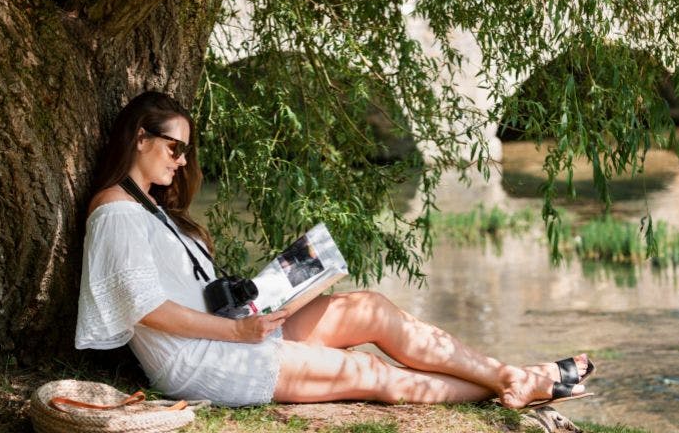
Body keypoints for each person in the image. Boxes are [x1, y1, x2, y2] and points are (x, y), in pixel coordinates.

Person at [75, 91, 594, 409]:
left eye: (186, 151)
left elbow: (189, 289)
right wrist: (236, 330)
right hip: (203, 359)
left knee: (370, 308)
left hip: (229, 330)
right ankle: (523, 381)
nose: (183, 162)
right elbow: (146, 308)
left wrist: (279, 290)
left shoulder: (152, 208)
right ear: (140, 138)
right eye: (175, 148)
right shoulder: (117, 211)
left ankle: (514, 379)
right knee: (369, 375)